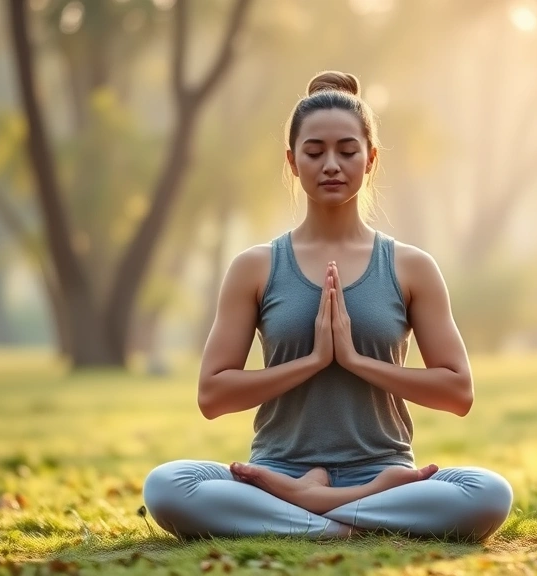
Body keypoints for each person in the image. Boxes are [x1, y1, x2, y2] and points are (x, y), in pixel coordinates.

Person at [142, 71, 513, 543]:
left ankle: (309, 512)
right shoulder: (256, 267)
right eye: (314, 152)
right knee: (168, 486)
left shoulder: (411, 267)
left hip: (383, 473)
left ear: (371, 158)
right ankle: (344, 517)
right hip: (276, 472)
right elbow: (213, 396)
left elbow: (458, 392)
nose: (331, 164)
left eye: (347, 151)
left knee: (487, 493)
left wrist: (355, 361)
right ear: (293, 161)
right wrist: (313, 361)